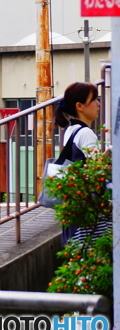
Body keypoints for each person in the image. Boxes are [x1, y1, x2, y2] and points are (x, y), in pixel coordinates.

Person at [53, 82, 103, 246]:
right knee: (91, 252)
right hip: (87, 205)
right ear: (80, 106)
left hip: (73, 202)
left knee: (76, 251)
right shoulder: (86, 133)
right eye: (94, 100)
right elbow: (98, 171)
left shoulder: (71, 130)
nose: (98, 104)